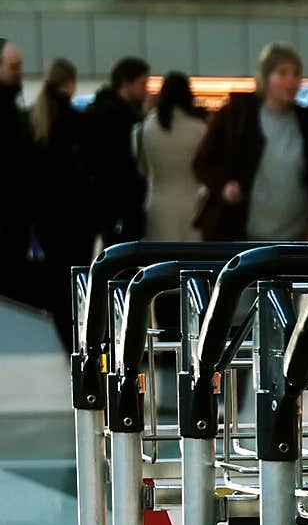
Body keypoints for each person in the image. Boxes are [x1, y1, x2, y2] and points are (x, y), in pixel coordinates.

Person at [192, 43, 308, 241]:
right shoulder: (237, 116)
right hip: (242, 235)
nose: (291, 81)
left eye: (296, 74)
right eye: (282, 73)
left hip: (298, 236)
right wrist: (224, 186)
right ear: (266, 77)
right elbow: (202, 162)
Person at [30, 58, 98, 351]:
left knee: (55, 281)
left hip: (46, 217)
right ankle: (78, 340)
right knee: (77, 280)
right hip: (77, 217)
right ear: (69, 83)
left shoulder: (35, 119)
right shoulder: (76, 120)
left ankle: (60, 338)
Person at [83, 55, 150, 247]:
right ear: (126, 83)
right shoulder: (117, 117)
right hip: (118, 202)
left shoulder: (105, 111)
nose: (146, 90)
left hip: (111, 201)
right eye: (142, 83)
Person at [135, 71, 206, 241]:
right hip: (193, 204)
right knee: (192, 260)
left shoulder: (146, 128)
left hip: (158, 204)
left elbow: (142, 169)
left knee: (161, 261)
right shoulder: (200, 129)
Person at [0, 38, 37, 306]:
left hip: (16, 218)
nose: (20, 72)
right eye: (14, 66)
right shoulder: (13, 114)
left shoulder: (15, 111)